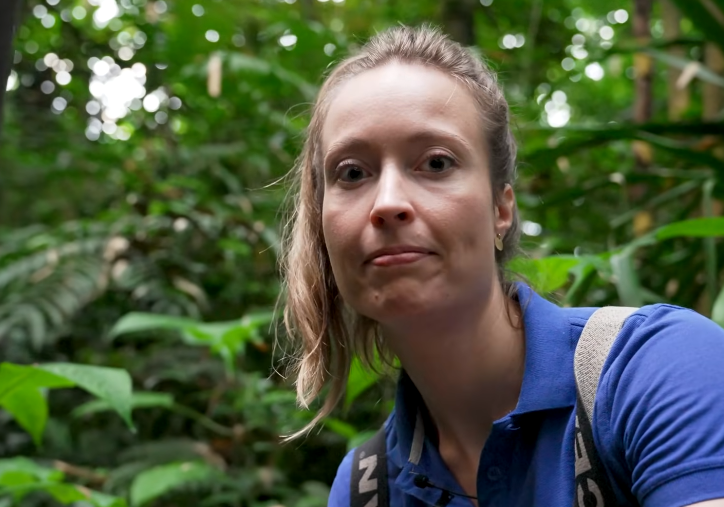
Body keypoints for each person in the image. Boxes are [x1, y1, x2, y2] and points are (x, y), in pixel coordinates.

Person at [279, 25, 724, 506]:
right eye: (351, 173)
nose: (387, 202)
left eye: (436, 163)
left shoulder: (653, 367)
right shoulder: (366, 489)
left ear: (501, 209)